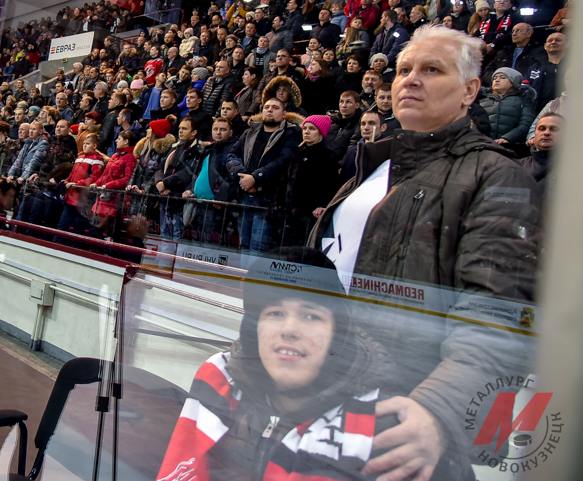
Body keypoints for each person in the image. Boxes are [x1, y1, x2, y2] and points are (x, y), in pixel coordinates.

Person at [309, 25, 541, 481]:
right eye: (402, 70)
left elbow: (496, 314)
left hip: (411, 417)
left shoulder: (497, 176)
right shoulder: (373, 166)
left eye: (431, 69)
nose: (409, 80)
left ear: (471, 90)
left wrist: (438, 409)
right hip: (339, 393)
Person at [157, 251, 403, 481]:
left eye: (311, 316)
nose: (289, 330)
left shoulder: (377, 422)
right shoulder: (219, 376)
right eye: (275, 313)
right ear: (254, 327)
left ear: (337, 332)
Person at [225, 98, 301, 256]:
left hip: (268, 201)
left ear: (284, 113)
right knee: (243, 246)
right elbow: (232, 155)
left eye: (275, 107)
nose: (270, 110)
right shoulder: (249, 132)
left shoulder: (291, 134)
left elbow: (283, 161)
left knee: (258, 250)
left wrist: (255, 178)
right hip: (245, 197)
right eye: (266, 107)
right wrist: (243, 177)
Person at [271, 115, 339, 247]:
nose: (306, 131)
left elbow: (331, 185)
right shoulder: (298, 153)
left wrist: (321, 205)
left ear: (321, 132)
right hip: (289, 215)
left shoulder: (328, 155)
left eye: (312, 129)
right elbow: (286, 180)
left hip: (310, 217)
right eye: (304, 128)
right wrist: (278, 203)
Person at [157, 117, 202, 240]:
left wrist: (165, 183)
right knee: (164, 237)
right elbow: (160, 167)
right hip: (165, 197)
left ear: (194, 132)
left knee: (178, 237)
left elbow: (187, 173)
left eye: (185, 129)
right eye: (180, 128)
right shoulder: (175, 147)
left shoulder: (197, 151)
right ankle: (164, 260)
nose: (180, 131)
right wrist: (159, 183)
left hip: (180, 198)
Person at [519, 112, 561, 195]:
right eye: (542, 128)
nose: (546, 133)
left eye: (554, 129)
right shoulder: (516, 166)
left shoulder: (576, 171)